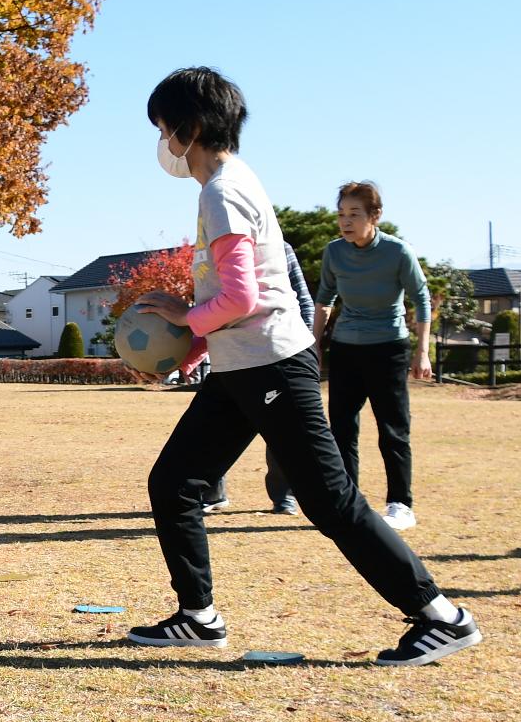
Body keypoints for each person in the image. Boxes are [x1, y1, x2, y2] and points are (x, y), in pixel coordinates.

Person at [123, 67, 480, 666]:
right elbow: (242, 295)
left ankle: (440, 616)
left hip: (271, 367)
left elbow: (241, 298)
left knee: (330, 500)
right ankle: (198, 616)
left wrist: (187, 320)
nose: (162, 143)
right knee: (175, 482)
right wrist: (197, 342)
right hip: (241, 368)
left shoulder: (223, 191)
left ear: (190, 127)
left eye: (164, 128)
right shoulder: (228, 183)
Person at [318, 181, 432, 531]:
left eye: (354, 214)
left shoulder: (398, 252)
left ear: (375, 216)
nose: (345, 222)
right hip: (346, 348)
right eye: (341, 214)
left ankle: (400, 504)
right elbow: (324, 300)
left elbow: (422, 300)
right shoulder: (334, 252)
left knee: (392, 429)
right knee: (342, 429)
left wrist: (423, 353)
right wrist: (315, 347)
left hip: (388, 348)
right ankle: (347, 501)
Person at [204, 247, 318, 515]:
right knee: (215, 428)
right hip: (232, 356)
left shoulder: (281, 249)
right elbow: (208, 304)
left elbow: (303, 301)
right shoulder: (214, 250)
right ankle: (212, 493)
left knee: (281, 431)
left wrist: (303, 348)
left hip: (275, 354)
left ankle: (284, 497)